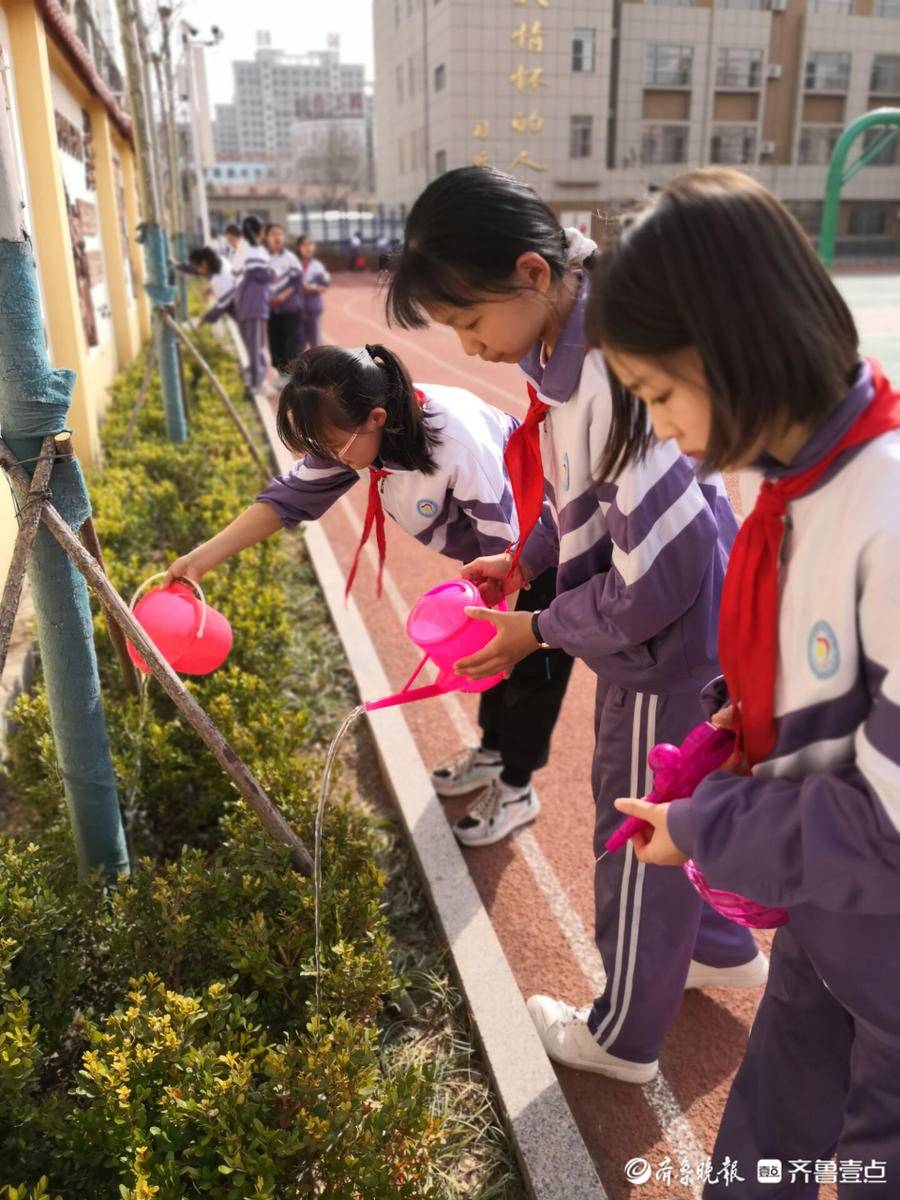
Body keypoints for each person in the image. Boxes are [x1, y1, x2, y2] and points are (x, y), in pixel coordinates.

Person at [385, 166, 765, 1084]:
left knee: (632, 825)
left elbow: (660, 573)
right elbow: (580, 497)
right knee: (676, 798)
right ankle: (716, 940)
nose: (471, 349)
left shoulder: (602, 373)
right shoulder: (571, 347)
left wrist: (537, 630)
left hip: (666, 641)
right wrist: (526, 561)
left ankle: (625, 1034)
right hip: (689, 629)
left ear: (530, 272)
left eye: (472, 323)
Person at [591, 167, 900, 1194]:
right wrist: (741, 724)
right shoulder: (800, 484)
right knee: (770, 1126)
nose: (664, 429)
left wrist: (711, 827)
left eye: (660, 395)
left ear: (734, 344)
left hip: (886, 948)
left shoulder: (885, 516)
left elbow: (887, 822)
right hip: (828, 923)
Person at [164, 343, 573, 846]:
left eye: (333, 446)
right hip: (495, 563)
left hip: (541, 554)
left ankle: (517, 785)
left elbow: (509, 545)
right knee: (483, 662)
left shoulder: (457, 445)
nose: (329, 458)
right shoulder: (359, 432)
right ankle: (492, 752)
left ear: (377, 417)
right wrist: (198, 560)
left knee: (526, 671)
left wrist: (505, 635)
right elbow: (286, 499)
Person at [231, 216, 272, 393]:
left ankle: (257, 378)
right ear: (259, 232)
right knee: (256, 345)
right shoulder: (254, 250)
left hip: (244, 301)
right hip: (254, 302)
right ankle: (257, 383)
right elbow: (265, 274)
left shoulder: (241, 247)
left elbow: (236, 271)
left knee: (252, 344)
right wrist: (272, 272)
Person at [265, 223, 303, 377]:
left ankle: (292, 374)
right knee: (275, 341)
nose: (277, 237)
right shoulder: (263, 258)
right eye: (273, 234)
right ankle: (281, 373)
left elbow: (296, 281)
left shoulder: (291, 258)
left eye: (280, 234)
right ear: (267, 238)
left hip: (290, 308)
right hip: (270, 309)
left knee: (291, 341)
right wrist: (268, 298)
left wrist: (282, 296)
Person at [175, 246, 234, 326]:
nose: (196, 269)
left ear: (204, 264)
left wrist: (205, 319)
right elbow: (195, 269)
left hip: (242, 309)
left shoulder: (217, 280)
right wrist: (178, 266)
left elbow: (220, 307)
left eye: (197, 266)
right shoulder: (218, 261)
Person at [295, 234, 330, 352]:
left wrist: (310, 288)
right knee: (298, 345)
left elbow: (324, 287)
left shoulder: (318, 267)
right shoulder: (293, 264)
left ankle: (317, 370)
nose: (308, 247)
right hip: (296, 312)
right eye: (304, 245)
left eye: (310, 244)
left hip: (313, 310)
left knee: (315, 345)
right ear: (299, 248)